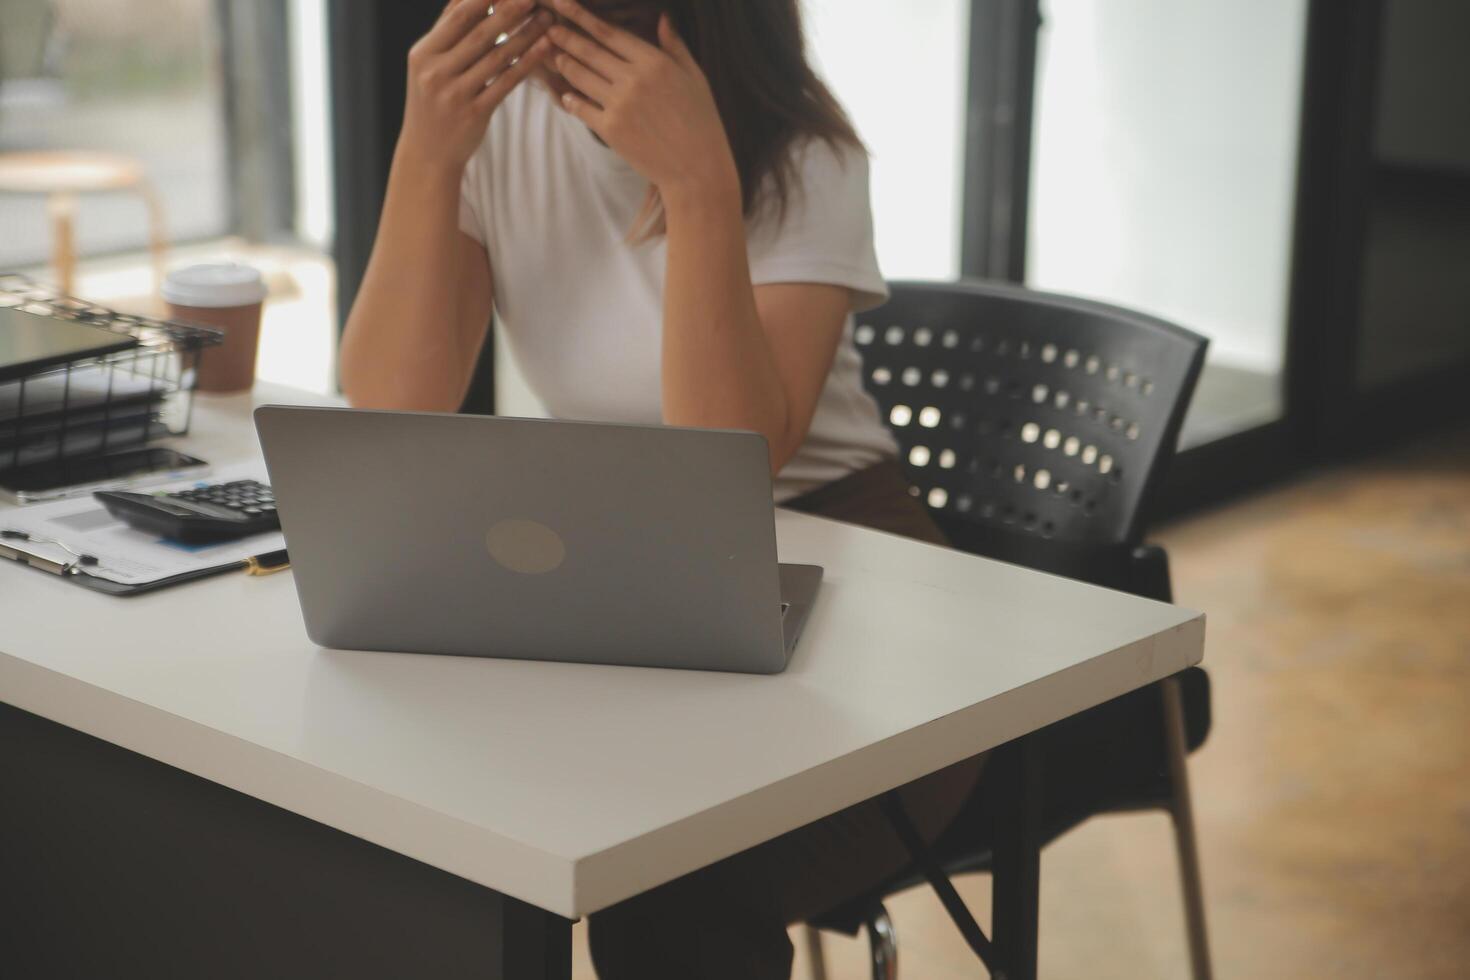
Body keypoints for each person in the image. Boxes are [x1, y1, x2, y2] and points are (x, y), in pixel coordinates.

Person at [338, 0, 985, 975]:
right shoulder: (505, 131)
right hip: (633, 564)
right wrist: (426, 154)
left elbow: (731, 457)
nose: (532, 40)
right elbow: (393, 400)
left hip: (849, 563)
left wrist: (695, 181)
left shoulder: (805, 156)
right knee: (447, 820)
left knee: (675, 892)